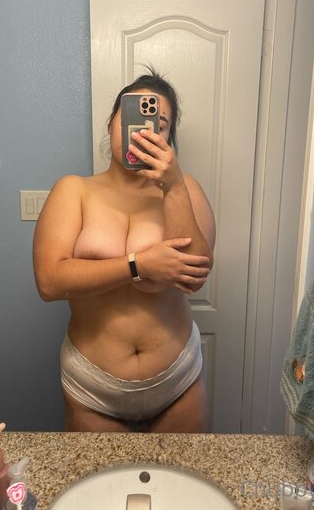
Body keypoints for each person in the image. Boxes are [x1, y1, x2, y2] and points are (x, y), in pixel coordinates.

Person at [33, 69, 216, 433]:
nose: (144, 131)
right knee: (101, 474)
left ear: (168, 138)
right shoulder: (74, 190)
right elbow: (49, 282)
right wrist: (138, 265)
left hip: (177, 381)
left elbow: (194, 277)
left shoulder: (185, 189)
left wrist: (173, 187)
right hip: (92, 387)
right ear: (111, 123)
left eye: (159, 125)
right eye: (132, 117)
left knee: (181, 472)